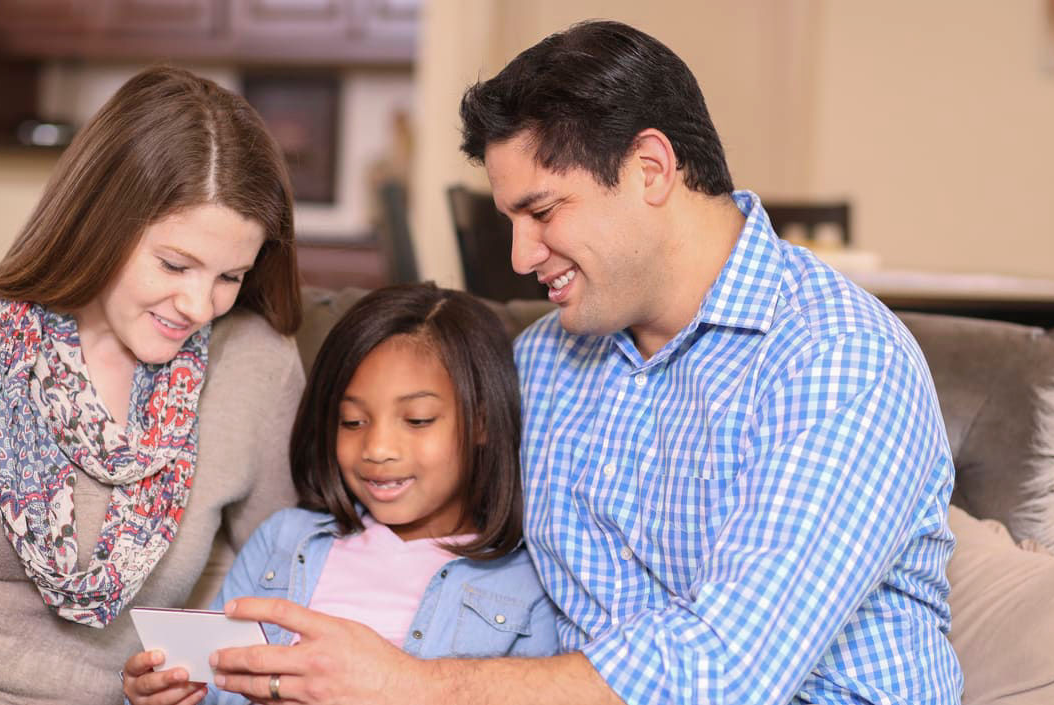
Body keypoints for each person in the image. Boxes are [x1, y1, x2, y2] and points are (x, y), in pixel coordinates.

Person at [205, 19, 965, 705]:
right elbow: (415, 508)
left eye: (541, 212)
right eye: (509, 220)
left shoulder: (837, 361)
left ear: (651, 169)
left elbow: (725, 673)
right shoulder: (543, 363)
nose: (519, 255)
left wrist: (410, 684)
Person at [0, 66, 305, 705]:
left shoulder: (255, 365)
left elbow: (277, 592)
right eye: (174, 264)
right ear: (99, 220)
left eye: (229, 277)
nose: (200, 306)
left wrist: (196, 683)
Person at [122, 283, 560, 705]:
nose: (377, 450)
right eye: (352, 422)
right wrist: (166, 694)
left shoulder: (530, 581)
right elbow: (214, 680)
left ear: (482, 421)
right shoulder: (284, 539)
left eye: (419, 420)